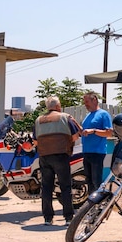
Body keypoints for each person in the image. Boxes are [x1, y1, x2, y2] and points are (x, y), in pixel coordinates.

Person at [33, 96, 80, 225]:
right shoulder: (65, 117)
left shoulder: (38, 120)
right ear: (58, 106)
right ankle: (68, 218)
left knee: (47, 187)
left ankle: (48, 218)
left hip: (44, 156)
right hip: (61, 155)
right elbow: (75, 136)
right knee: (65, 186)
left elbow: (35, 141)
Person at [81, 92, 113, 193]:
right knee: (89, 181)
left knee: (96, 181)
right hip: (86, 152)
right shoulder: (88, 116)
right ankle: (91, 204)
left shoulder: (103, 114)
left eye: (87, 102)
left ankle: (99, 204)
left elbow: (109, 133)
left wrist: (94, 131)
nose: (85, 104)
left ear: (94, 100)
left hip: (97, 152)